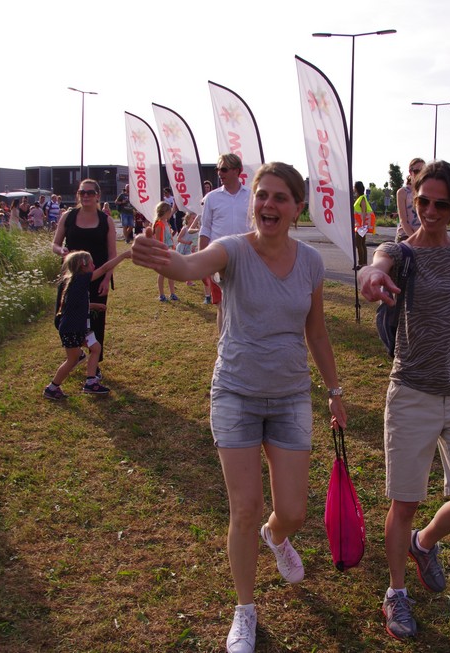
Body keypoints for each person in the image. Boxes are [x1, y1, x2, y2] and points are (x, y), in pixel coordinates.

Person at [131, 162, 347, 653]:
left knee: (292, 511)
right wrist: (164, 258)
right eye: (262, 195)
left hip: (291, 396)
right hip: (235, 394)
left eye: (280, 197)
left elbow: (316, 332)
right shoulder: (232, 249)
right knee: (245, 508)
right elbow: (190, 266)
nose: (268, 204)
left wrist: (334, 391)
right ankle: (245, 610)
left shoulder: (311, 262)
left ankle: (277, 537)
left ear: (296, 208)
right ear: (253, 203)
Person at [358, 160, 450, 641]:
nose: (431, 211)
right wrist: (371, 276)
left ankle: (424, 543)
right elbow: (376, 265)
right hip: (413, 391)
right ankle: (396, 592)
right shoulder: (401, 252)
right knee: (405, 502)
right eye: (423, 202)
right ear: (414, 201)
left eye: (441, 204)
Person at [45, 249, 132, 400]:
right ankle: (52, 388)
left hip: (80, 328)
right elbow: (104, 269)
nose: (94, 266)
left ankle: (91, 382)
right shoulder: (80, 280)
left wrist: (94, 306)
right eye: (91, 263)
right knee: (72, 360)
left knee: (96, 348)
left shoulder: (74, 282)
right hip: (72, 329)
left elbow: (76, 306)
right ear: (82, 266)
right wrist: (123, 256)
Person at [52, 179, 118, 373]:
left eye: (90, 192)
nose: (86, 196)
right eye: (82, 192)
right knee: (65, 318)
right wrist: (61, 251)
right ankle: (76, 353)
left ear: (98, 195)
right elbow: (55, 244)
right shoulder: (68, 216)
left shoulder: (105, 220)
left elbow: (112, 254)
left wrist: (106, 278)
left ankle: (94, 364)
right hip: (70, 279)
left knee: (95, 320)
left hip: (97, 277)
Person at [199, 154, 251, 308]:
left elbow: (258, 229)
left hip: (245, 258)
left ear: (237, 170)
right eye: (217, 169)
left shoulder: (252, 196)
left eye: (224, 169)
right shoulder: (211, 198)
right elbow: (205, 229)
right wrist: (202, 260)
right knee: (221, 306)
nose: (219, 173)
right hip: (218, 259)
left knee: (244, 305)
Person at [152, 202, 178, 302]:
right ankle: (162, 294)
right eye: (169, 212)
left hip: (170, 250)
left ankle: (172, 293)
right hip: (162, 252)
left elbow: (169, 237)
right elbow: (158, 240)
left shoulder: (167, 223)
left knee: (171, 273)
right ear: (165, 212)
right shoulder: (159, 224)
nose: (170, 214)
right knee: (162, 273)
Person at [395, 158, 425, 242]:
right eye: (417, 171)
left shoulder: (426, 191)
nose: (420, 174)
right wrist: (415, 239)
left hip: (423, 237)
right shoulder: (403, 192)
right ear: (410, 172)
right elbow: (403, 220)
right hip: (405, 236)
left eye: (423, 171)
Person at [353, 181, 374, 269]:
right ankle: (364, 263)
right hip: (360, 224)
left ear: (356, 188)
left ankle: (361, 263)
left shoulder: (362, 198)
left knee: (359, 243)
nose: (353, 188)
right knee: (362, 243)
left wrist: (362, 225)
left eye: (354, 187)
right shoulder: (360, 198)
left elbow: (364, 211)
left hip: (361, 225)